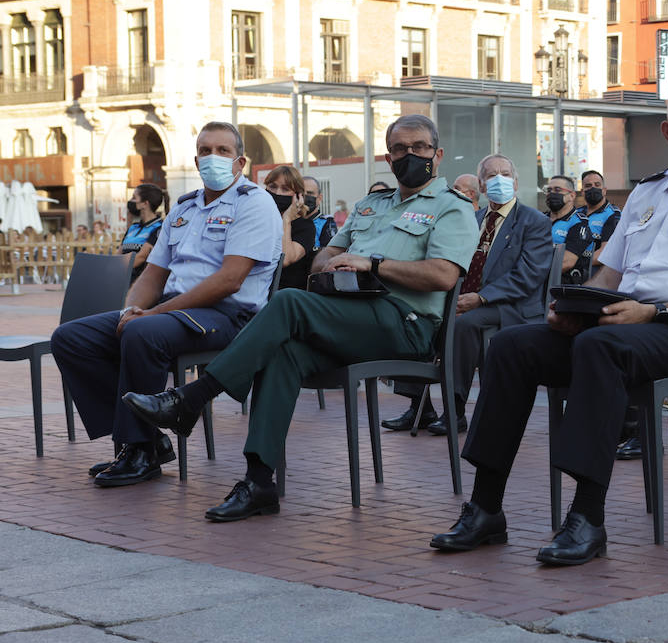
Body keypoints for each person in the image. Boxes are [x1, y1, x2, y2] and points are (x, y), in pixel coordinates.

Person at [428, 81, 668, 565]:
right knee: (511, 346)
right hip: (627, 325)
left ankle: (587, 517)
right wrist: (574, 307)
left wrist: (652, 312)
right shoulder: (648, 192)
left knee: (601, 347)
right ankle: (486, 508)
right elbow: (608, 273)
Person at [122, 114, 478, 522]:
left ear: (438, 154)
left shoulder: (452, 207)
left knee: (289, 302)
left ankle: (193, 397)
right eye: (399, 149)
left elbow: (443, 275)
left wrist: (371, 264)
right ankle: (258, 482)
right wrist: (337, 262)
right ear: (388, 156)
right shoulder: (370, 204)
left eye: (419, 148)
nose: (409, 155)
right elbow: (320, 258)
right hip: (350, 315)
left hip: (407, 323)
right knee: (284, 352)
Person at [50, 122, 281, 488]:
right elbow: (153, 275)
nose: (212, 158)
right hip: (175, 311)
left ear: (241, 162)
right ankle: (148, 441)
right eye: (205, 151)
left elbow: (230, 280)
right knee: (70, 338)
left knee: (143, 332)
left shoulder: (254, 204)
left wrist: (153, 314)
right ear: (195, 158)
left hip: (229, 314)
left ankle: (138, 450)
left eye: (222, 151)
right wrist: (131, 310)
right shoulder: (183, 209)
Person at [384, 153, 553, 436]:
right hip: (465, 298)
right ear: (482, 187)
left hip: (511, 305)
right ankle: (420, 406)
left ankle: (455, 409)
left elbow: (529, 275)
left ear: (516, 181)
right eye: (491, 175)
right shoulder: (471, 218)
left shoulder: (532, 221)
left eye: (505, 173)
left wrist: (481, 298)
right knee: (414, 314)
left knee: (462, 324)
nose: (500, 179)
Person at [263, 165, 319, 291]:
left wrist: (286, 220)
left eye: (285, 189)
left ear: (298, 195)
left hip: (286, 296)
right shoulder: (260, 220)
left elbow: (285, 259)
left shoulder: (305, 227)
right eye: (272, 186)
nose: (277, 193)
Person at [560, 170, 622, 285]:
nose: (593, 188)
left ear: (604, 190)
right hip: (569, 268)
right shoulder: (576, 213)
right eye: (588, 186)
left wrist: (573, 261)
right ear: (582, 192)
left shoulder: (613, 215)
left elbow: (605, 253)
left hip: (595, 271)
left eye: (597, 185)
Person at [119, 183, 165, 277]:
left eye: (134, 197)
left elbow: (141, 257)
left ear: (145, 203)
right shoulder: (133, 228)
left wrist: (114, 268)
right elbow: (119, 254)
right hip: (122, 278)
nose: (131, 201)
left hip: (139, 281)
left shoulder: (159, 228)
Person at [302, 176, 337, 250]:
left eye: (310, 193)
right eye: (301, 193)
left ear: (319, 198)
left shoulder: (326, 222)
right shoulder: (289, 221)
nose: (305, 197)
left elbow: (330, 252)